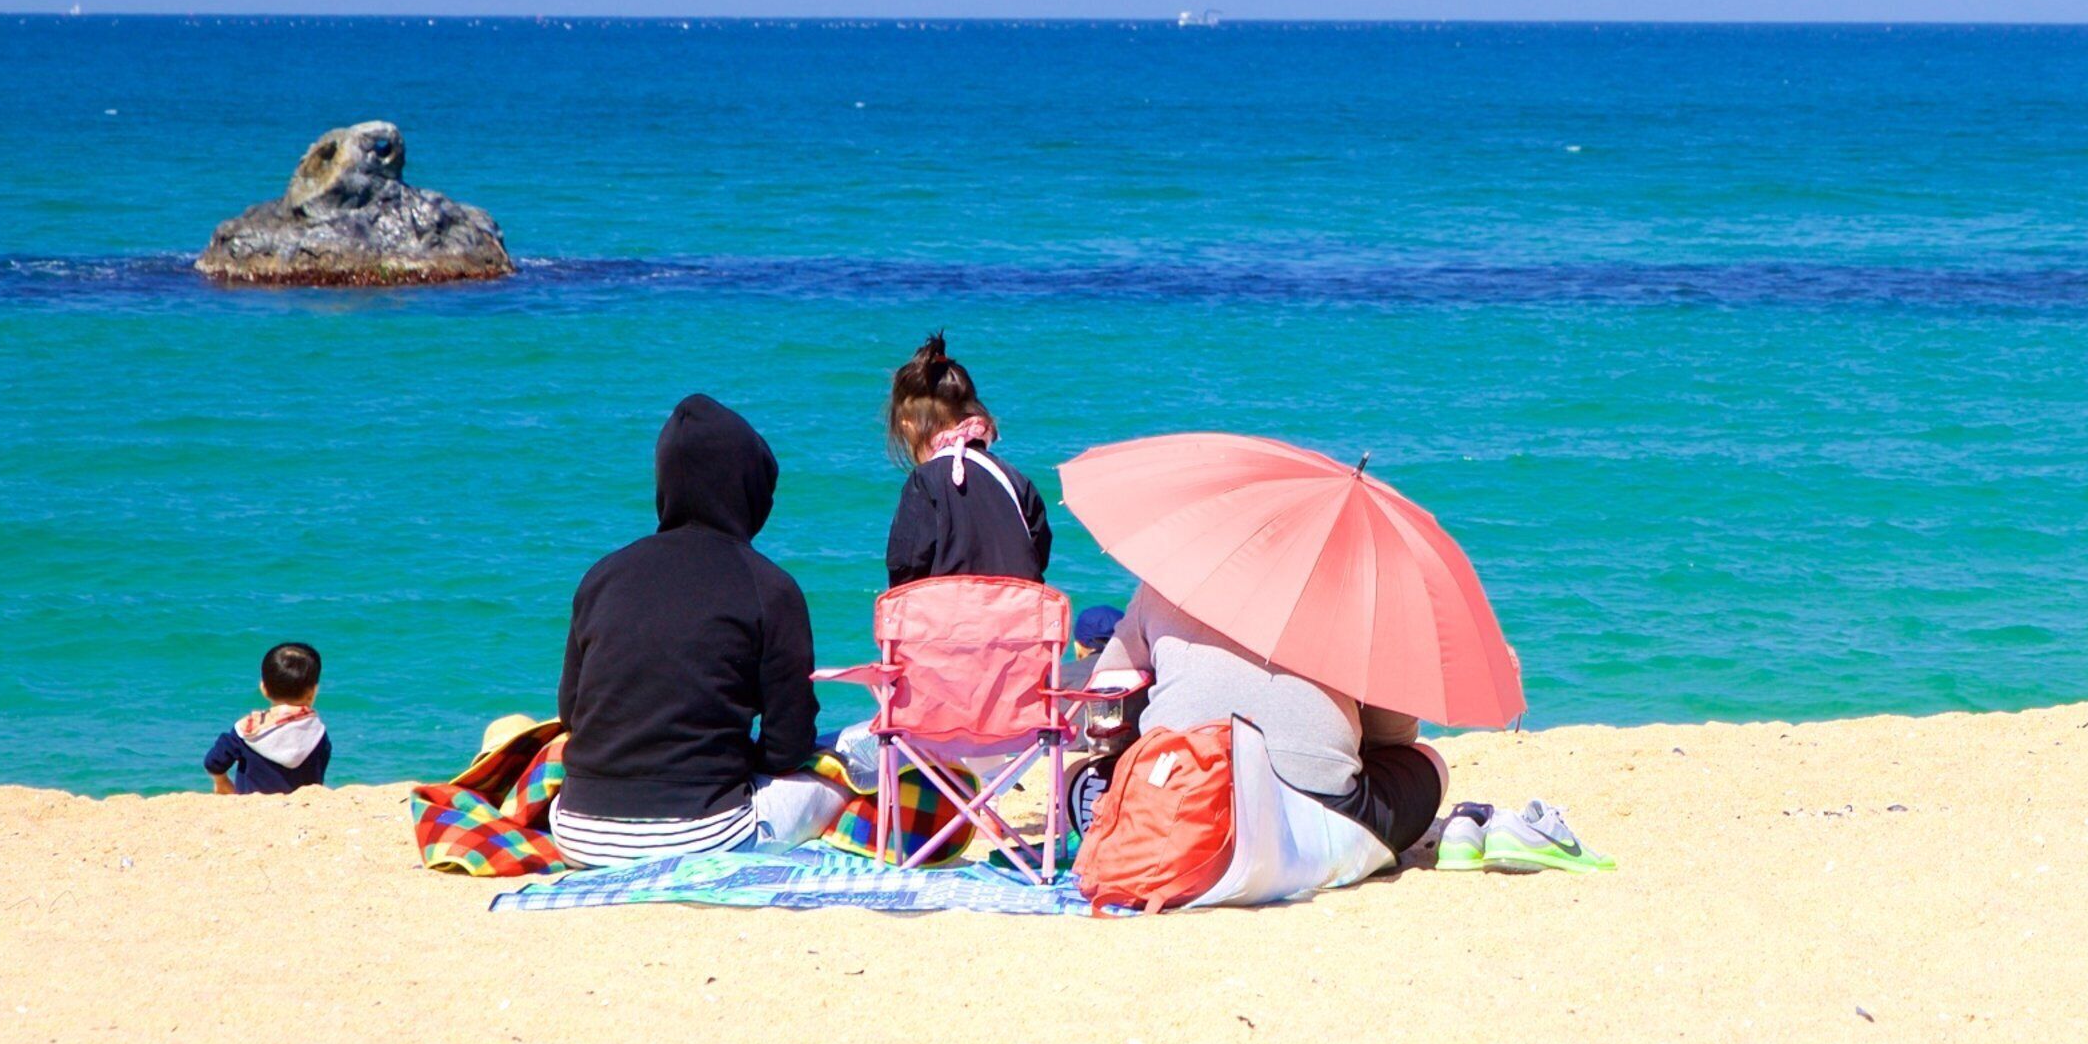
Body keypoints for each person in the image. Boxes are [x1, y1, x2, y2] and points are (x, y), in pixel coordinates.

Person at [552, 395, 845, 867]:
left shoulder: (601, 575)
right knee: (835, 777)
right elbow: (786, 746)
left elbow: (571, 714)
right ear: (749, 490)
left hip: (576, 832)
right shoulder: (770, 588)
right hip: (702, 837)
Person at [1082, 585, 1446, 857]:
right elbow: (1393, 735)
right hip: (1319, 837)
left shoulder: (1169, 584)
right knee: (1427, 761)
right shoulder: (1360, 597)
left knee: (1086, 776)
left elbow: (1109, 688)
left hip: (1179, 812)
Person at [881, 333, 1051, 586]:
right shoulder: (1015, 479)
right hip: (1017, 621)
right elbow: (1038, 555)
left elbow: (905, 566)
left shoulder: (926, 479)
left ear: (909, 424)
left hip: (952, 620)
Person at [203, 641, 332, 794]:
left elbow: (214, 762)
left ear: (264, 688)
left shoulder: (247, 731)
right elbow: (318, 775)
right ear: (313, 691)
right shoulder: (317, 733)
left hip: (252, 807)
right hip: (300, 809)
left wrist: (221, 781)